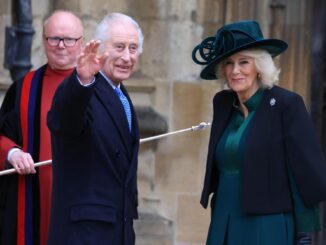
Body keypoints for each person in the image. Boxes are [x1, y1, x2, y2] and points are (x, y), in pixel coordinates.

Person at [192, 20, 326, 245]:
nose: (235, 70)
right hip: (223, 221)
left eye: (244, 62)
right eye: (229, 63)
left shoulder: (286, 104)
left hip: (267, 225)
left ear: (259, 66)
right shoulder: (223, 104)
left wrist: (305, 233)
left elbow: (302, 173)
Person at [46, 12, 142, 245]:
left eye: (133, 48)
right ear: (99, 50)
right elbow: (63, 122)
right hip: (84, 233)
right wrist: (82, 81)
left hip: (117, 230)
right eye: (119, 47)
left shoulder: (121, 95)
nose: (127, 57)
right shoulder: (82, 88)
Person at [0, 10, 84, 245]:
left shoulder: (101, 90)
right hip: (29, 202)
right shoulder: (23, 88)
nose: (61, 45)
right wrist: (12, 152)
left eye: (69, 39)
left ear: (82, 43)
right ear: (44, 41)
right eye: (53, 38)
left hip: (85, 203)